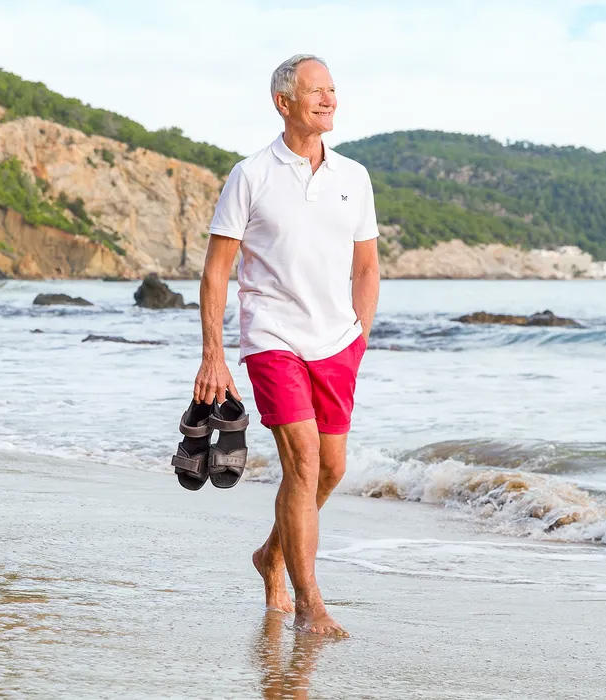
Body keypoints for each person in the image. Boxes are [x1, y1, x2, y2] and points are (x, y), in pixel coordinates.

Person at [193, 54, 380, 637]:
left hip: (337, 342)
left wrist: (360, 337)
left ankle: (271, 553)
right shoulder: (251, 174)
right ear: (284, 102)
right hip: (272, 338)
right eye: (316, 91)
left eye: (332, 90)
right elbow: (217, 271)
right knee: (301, 462)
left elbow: (367, 267)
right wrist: (213, 354)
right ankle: (309, 604)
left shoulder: (354, 176)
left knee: (331, 468)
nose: (329, 100)